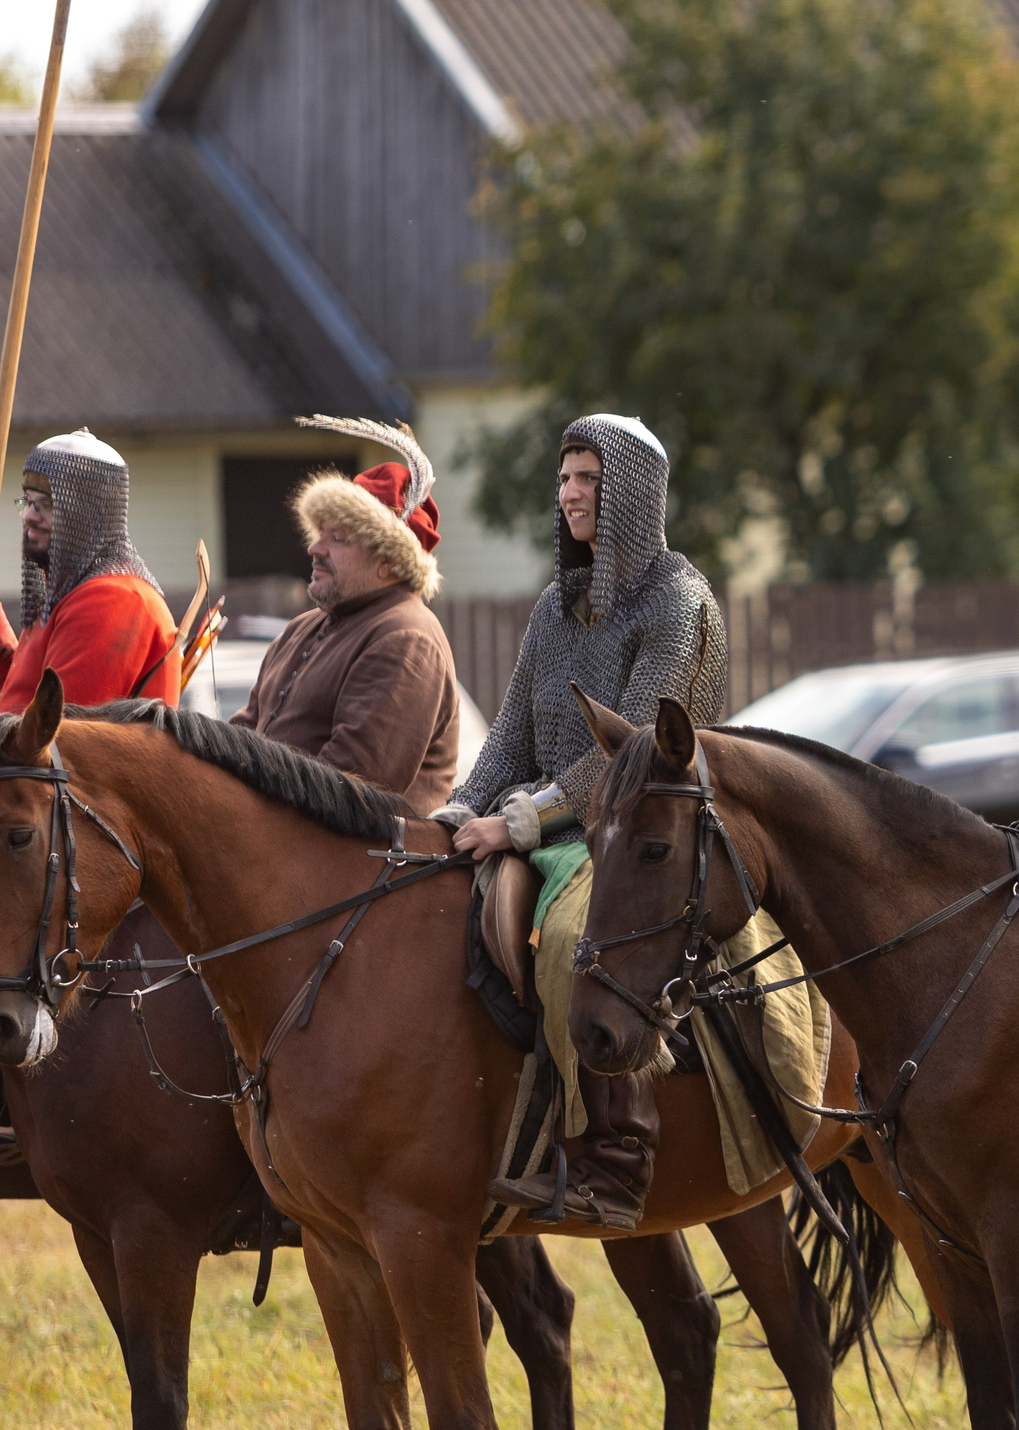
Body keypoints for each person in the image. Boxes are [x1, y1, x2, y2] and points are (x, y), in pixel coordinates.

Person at [432, 414, 726, 1230]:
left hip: (642, 832)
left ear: (631, 490)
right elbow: (511, 737)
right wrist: (462, 808)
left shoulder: (677, 603)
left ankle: (619, 1155)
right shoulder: (555, 608)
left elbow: (631, 755)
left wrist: (519, 821)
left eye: (588, 477)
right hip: (557, 824)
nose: (569, 493)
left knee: (572, 938)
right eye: (563, 477)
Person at [232, 418, 460, 813]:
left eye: (338, 538)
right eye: (319, 532)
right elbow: (243, 733)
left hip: (368, 854)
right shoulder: (301, 628)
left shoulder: (407, 637)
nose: (315, 548)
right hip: (276, 841)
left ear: (390, 561)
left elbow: (348, 792)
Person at [0, 430, 179, 711]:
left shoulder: (113, 600)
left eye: (47, 504)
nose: (30, 516)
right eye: (27, 501)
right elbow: (19, 698)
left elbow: (55, 731)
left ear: (87, 514)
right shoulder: (65, 592)